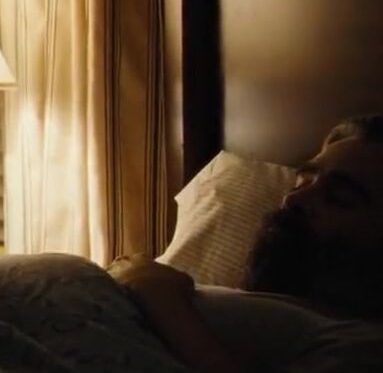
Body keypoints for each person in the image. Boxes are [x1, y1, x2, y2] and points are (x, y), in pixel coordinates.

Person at [110, 115, 383, 372]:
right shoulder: (287, 310)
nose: (292, 199)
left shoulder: (362, 343)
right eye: (302, 182)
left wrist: (157, 295)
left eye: (339, 198)